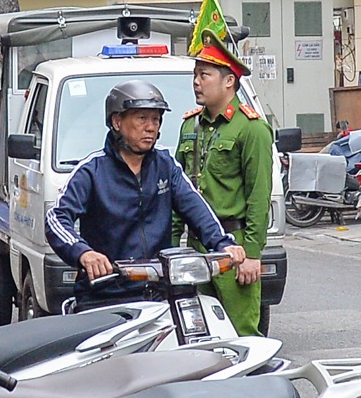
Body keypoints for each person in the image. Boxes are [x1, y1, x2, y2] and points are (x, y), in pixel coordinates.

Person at [46, 81, 244, 292]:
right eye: (142, 118)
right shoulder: (91, 171)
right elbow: (56, 218)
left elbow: (195, 207)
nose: (150, 127)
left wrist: (223, 243)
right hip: (106, 293)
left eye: (156, 119)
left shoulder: (166, 165)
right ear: (117, 121)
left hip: (160, 291)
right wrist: (83, 253)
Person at [174, 23, 273, 335]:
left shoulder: (251, 128)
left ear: (229, 81)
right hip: (195, 248)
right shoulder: (190, 126)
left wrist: (253, 255)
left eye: (205, 75)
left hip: (235, 248)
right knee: (197, 338)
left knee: (242, 335)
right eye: (195, 75)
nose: (196, 82)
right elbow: (177, 194)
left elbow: (259, 196)